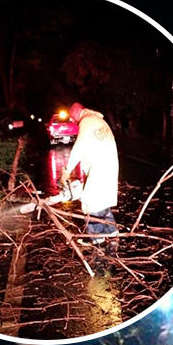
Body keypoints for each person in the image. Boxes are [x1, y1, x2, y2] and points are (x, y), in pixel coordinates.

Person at [59, 102, 120, 256]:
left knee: (90, 203)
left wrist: (66, 171)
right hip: (109, 165)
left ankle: (97, 240)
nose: (73, 121)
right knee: (102, 202)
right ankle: (113, 234)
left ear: (77, 113)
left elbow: (79, 148)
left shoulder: (86, 123)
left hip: (100, 168)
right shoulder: (97, 120)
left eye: (72, 118)